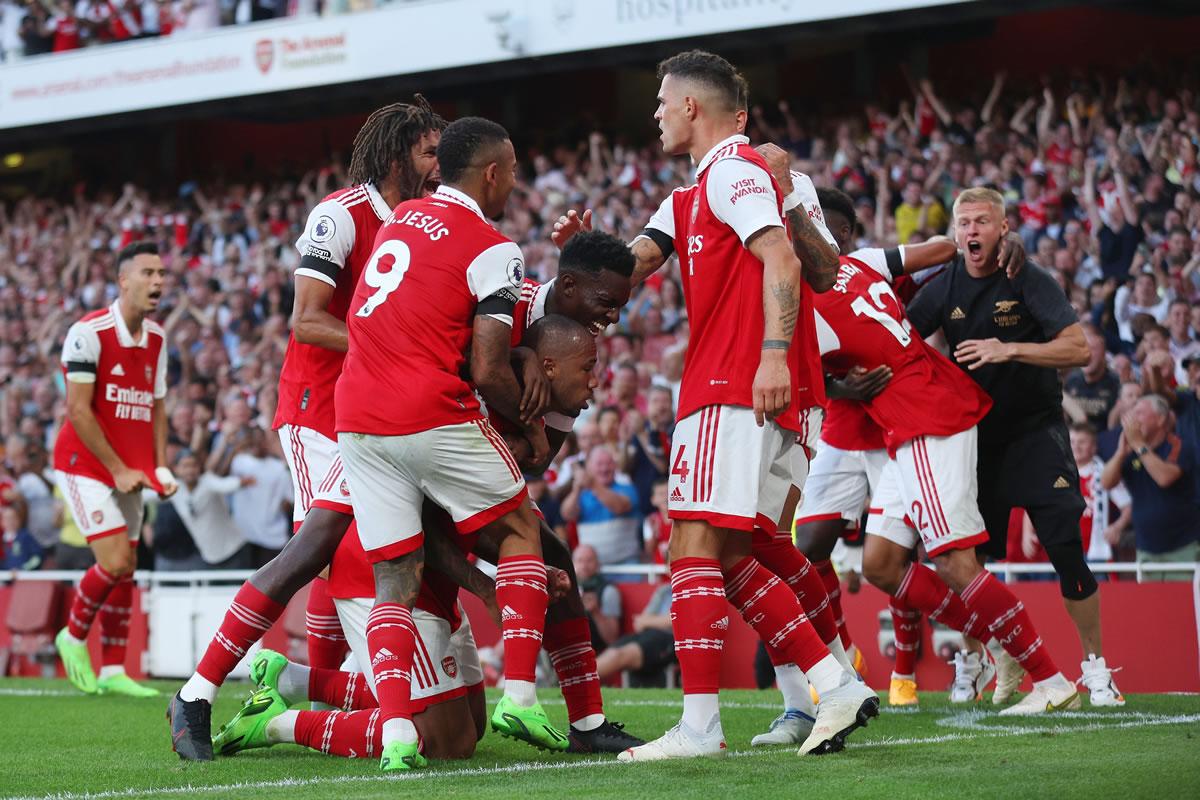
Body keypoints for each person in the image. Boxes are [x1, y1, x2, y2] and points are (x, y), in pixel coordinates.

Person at [561, 50, 875, 761]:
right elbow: (631, 266)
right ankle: (832, 684)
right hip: (765, 392)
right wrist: (580, 260)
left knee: (694, 547)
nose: (655, 115)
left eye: (661, 102)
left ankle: (704, 725)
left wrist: (772, 353)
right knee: (744, 552)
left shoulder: (735, 172)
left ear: (691, 107)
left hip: (736, 386)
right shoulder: (692, 194)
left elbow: (790, 261)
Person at [209, 313, 636, 761]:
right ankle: (275, 723)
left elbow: (480, 524)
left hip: (432, 574)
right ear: (546, 368)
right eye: (587, 367)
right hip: (382, 561)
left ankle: (293, 680)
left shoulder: (508, 414)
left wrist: (523, 571)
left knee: (469, 722)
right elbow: (423, 527)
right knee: (446, 740)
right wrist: (489, 585)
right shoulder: (458, 413)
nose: (596, 381)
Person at [169, 98, 445, 762]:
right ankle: (197, 691)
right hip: (318, 409)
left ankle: (303, 692)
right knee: (320, 543)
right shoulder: (340, 214)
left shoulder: (424, 221)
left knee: (336, 551)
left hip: (380, 408)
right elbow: (307, 320)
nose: (442, 166)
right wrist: (399, 351)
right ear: (395, 155)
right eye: (430, 152)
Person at [333, 116, 565, 770]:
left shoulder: (401, 218)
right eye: (513, 172)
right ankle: (520, 694)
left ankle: (396, 733)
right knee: (520, 529)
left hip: (356, 415)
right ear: (491, 173)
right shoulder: (494, 246)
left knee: (395, 576)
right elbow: (487, 367)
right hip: (427, 408)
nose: (515, 184)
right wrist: (531, 427)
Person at [808, 187, 1081, 717]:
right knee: (881, 563)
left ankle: (1050, 678)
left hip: (923, 419)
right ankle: (1001, 641)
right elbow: (942, 250)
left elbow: (792, 374)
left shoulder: (804, 303)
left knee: (955, 562)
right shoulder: (858, 265)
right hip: (908, 415)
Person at [906, 187, 1120, 708]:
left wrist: (1011, 349)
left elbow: (1079, 348)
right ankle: (976, 660)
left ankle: (1096, 670)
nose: (972, 230)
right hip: (974, 439)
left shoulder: (1027, 277)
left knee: (1065, 547)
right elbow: (901, 337)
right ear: (955, 231)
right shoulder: (944, 285)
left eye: (982, 221)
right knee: (966, 556)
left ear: (1003, 228)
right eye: (964, 222)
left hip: (1036, 431)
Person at [51, 241, 176, 700]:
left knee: (129, 569)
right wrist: (118, 469)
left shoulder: (158, 338)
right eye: (148, 273)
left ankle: (113, 670)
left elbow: (157, 406)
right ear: (123, 280)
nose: (158, 281)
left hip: (132, 468)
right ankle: (72, 637)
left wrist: (158, 465)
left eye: (161, 274)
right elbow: (78, 411)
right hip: (84, 465)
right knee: (116, 561)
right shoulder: (87, 333)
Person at [1101, 394, 1200, 580]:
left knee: (1183, 598)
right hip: (1146, 547)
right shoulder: (1131, 451)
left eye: (1139, 413)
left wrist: (1139, 444)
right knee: (1151, 599)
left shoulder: (1179, 445)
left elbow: (1164, 478)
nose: (1133, 420)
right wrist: (1121, 453)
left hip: (1182, 546)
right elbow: (1106, 483)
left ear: (1160, 419)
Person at [167, 449, 254, 569]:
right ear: (175, 469)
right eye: (185, 466)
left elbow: (224, 485)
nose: (190, 470)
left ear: (199, 467)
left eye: (193, 465)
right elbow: (148, 494)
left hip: (234, 551)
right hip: (208, 557)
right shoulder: (174, 488)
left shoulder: (207, 481)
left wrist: (240, 482)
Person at [561, 447, 641, 574]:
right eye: (599, 464)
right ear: (589, 467)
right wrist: (577, 488)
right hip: (592, 569)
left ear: (615, 466)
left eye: (608, 463)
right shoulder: (582, 494)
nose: (604, 468)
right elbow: (567, 514)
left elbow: (619, 507)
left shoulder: (628, 488)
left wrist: (593, 484)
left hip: (627, 565)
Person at [595, 581, 675, 687]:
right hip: (647, 634)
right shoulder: (664, 590)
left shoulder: (690, 590)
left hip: (669, 639)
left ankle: (581, 681)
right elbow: (638, 624)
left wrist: (648, 621)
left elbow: (679, 621)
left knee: (618, 655)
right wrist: (662, 621)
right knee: (613, 652)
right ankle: (580, 681)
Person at [1064, 323, 1121, 431]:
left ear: (1104, 353)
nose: (1087, 355)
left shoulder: (1116, 383)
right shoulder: (1072, 380)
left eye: (1093, 349)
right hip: (1075, 438)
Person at [573, 543, 622, 650]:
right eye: (580, 561)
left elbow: (612, 639)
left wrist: (596, 612)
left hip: (595, 651)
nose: (584, 566)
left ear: (598, 564)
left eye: (589, 560)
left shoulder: (608, 591)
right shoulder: (565, 586)